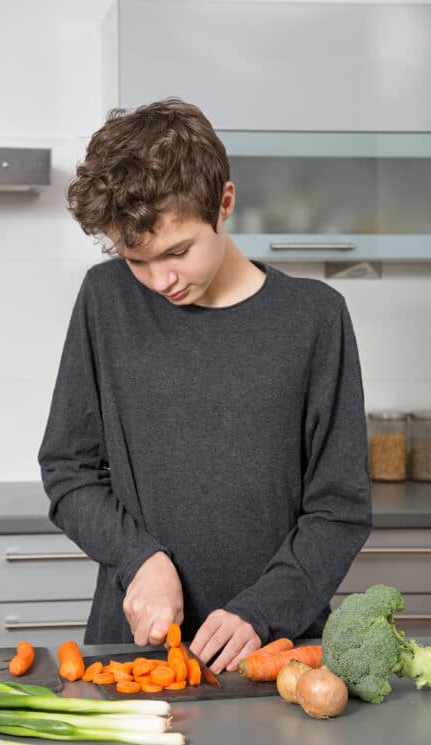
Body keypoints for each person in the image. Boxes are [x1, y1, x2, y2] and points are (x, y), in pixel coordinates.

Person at [38, 98, 372, 675]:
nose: (159, 279)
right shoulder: (105, 300)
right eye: (136, 259)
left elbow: (339, 510)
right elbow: (68, 470)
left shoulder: (315, 318)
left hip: (278, 655)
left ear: (225, 202)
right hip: (135, 655)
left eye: (178, 252)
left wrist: (261, 612)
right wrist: (139, 560)